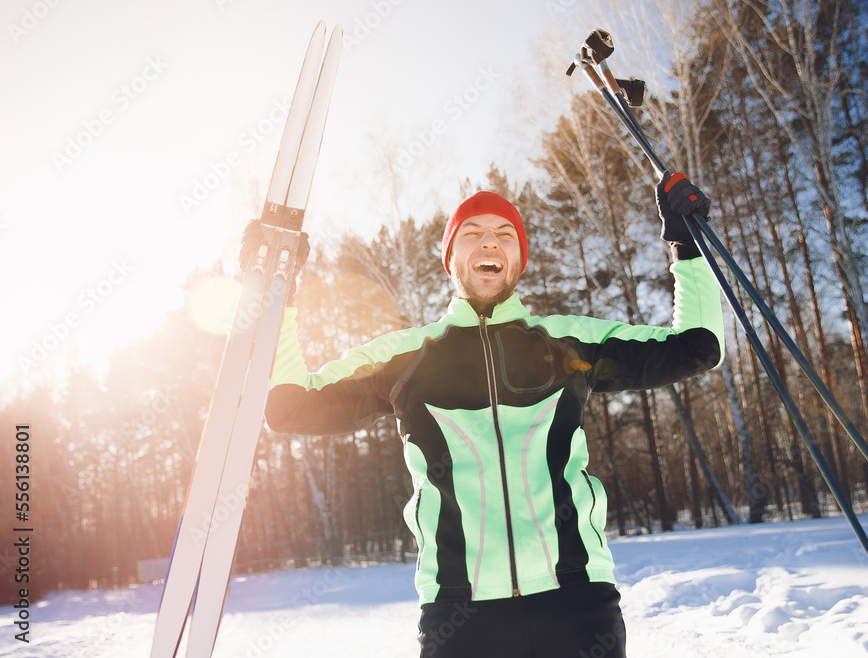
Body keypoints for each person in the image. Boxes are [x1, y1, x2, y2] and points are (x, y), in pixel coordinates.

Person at [256, 172, 724, 658]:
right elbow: (289, 406)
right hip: (460, 616)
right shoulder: (405, 356)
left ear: (518, 260)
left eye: (505, 234)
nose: (490, 242)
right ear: (451, 259)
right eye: (472, 232)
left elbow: (699, 347)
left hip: (578, 602)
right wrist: (277, 296)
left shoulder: (567, 341)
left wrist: (687, 247)